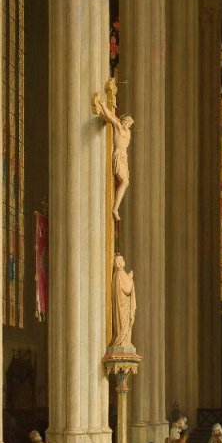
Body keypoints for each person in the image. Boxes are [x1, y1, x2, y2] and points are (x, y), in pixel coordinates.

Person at [93, 87, 134, 221]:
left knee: (126, 182)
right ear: (124, 121)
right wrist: (103, 105)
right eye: (128, 122)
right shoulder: (118, 126)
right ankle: (115, 208)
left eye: (130, 124)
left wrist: (112, 104)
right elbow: (111, 117)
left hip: (124, 158)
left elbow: (111, 116)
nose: (129, 125)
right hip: (118, 155)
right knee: (125, 181)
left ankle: (116, 207)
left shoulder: (128, 132)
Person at [110, 253, 136, 349]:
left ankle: (124, 341)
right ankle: (123, 341)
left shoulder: (117, 274)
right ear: (119, 262)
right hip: (123, 307)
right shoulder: (121, 274)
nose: (124, 262)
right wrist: (130, 278)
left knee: (123, 325)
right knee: (123, 325)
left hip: (122, 306)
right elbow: (127, 289)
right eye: (122, 260)